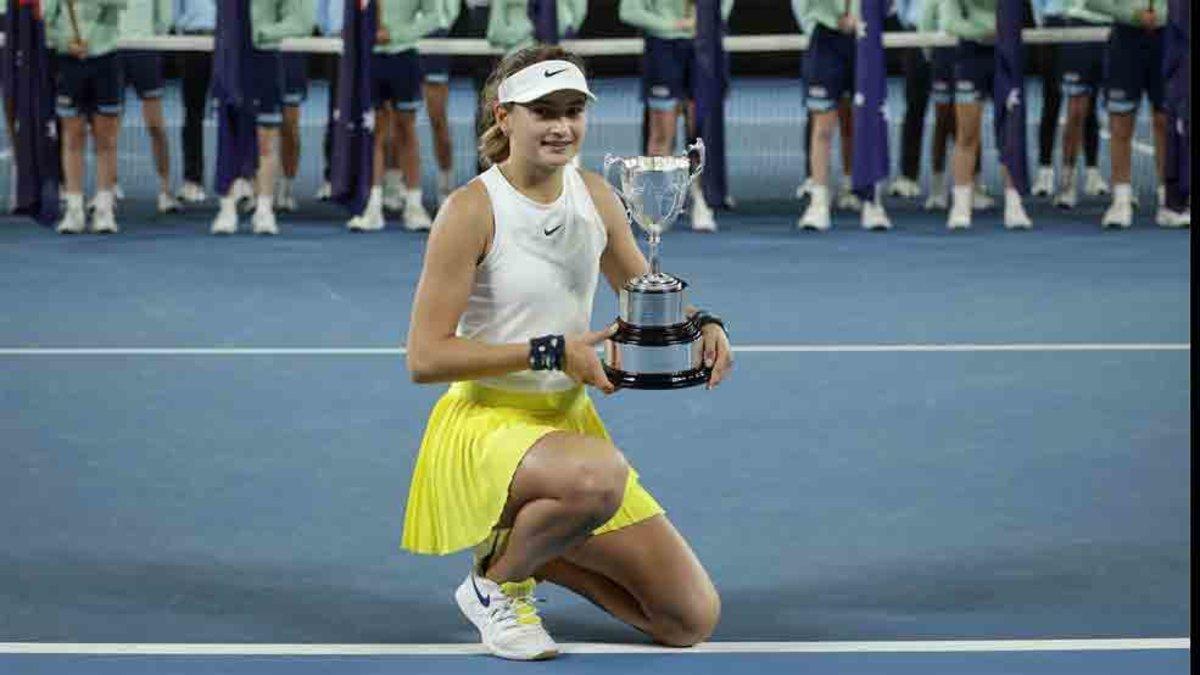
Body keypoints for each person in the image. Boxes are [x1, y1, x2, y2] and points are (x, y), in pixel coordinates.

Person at [400, 45, 730, 660]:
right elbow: (425, 357)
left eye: (573, 110)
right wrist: (550, 352)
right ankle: (496, 585)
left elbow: (641, 291)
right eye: (542, 111)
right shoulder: (471, 210)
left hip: (564, 429)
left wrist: (703, 324)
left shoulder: (597, 195)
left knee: (688, 619)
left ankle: (527, 547)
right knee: (598, 476)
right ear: (504, 117)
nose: (561, 126)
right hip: (485, 427)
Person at [619, 0, 732, 233]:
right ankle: (655, 207)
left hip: (702, 48)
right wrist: (671, 24)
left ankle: (699, 201)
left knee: (698, 132)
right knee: (661, 132)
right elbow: (628, 11)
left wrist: (706, 22)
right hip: (663, 48)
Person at [211, 0, 313, 235]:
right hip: (229, 59)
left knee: (267, 138)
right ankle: (227, 208)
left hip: (264, 59)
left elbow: (302, 21)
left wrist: (264, 33)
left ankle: (265, 209)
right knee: (229, 136)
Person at [793, 0, 888, 231]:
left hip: (864, 39)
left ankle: (870, 199)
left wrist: (863, 20)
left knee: (865, 123)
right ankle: (818, 203)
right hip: (825, 39)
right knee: (823, 125)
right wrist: (815, 25)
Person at [345, 0, 440, 232]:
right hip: (370, 58)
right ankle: (373, 206)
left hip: (403, 56)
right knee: (375, 132)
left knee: (406, 130)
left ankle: (414, 205)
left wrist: (398, 34)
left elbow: (434, 17)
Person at [938, 0, 1031, 230]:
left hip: (1007, 53)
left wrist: (1002, 33)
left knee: (1011, 132)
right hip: (971, 55)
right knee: (967, 133)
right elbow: (950, 22)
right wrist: (984, 32)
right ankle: (960, 205)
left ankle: (1014, 203)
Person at [45, 0, 128, 234]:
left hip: (105, 59)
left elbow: (121, 4)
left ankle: (104, 208)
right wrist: (65, 42)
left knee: (106, 139)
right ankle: (74, 210)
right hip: (70, 63)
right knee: (72, 137)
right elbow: (47, 20)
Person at [1092, 0, 1168, 229]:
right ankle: (1121, 199)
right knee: (1121, 123)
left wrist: (1167, 15)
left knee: (1166, 121)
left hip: (1168, 38)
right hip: (1126, 40)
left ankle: (1170, 198)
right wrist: (1133, 15)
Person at [1030, 0, 1108, 204]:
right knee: (1052, 101)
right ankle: (1047, 173)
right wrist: (1043, 22)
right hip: (1056, 26)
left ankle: (1092, 172)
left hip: (1102, 25)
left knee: (1092, 105)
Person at [117, 0, 180, 214]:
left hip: (145, 49)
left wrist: (148, 37)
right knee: (106, 127)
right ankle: (107, 188)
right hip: (111, 47)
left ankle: (164, 191)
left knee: (155, 125)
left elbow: (164, 18)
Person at [420, 0, 462, 209]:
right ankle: (394, 185)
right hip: (396, 38)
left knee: (438, 119)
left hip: (432, 39)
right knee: (390, 118)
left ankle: (446, 186)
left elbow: (448, 13)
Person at [173, 0, 215, 205]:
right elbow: (174, 8)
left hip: (231, 40)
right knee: (192, 112)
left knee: (236, 112)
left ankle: (241, 179)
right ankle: (192, 180)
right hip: (192, 42)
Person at [888, 0, 929, 200]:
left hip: (952, 31)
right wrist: (912, 27)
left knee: (959, 109)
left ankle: (969, 182)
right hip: (916, 35)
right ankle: (907, 176)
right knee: (914, 106)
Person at [275, 34, 315, 212]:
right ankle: (258, 189)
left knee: (290, 127)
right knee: (257, 129)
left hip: (291, 54)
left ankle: (286, 188)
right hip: (260, 53)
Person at [315, 0, 342, 202]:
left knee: (382, 114)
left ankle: (385, 182)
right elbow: (322, 7)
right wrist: (330, 32)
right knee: (337, 110)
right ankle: (332, 176)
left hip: (375, 40)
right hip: (337, 43)